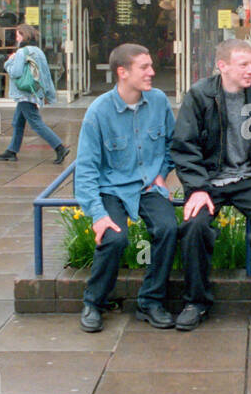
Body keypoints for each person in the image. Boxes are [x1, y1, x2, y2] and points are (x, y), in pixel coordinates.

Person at [170, 38, 251, 332]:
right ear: (222, 66)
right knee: (194, 227)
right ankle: (196, 302)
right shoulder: (199, 97)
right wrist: (198, 187)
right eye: (244, 64)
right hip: (209, 179)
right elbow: (184, 147)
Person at [72, 43, 177, 334]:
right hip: (113, 188)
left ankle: (151, 302)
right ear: (122, 72)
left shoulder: (158, 102)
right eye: (144, 67)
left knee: (168, 229)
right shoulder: (98, 112)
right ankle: (94, 302)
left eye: (150, 66)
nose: (152, 72)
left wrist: (162, 173)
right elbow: (87, 169)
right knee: (114, 238)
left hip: (148, 186)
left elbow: (173, 144)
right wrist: (97, 213)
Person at [0, 25, 70, 164]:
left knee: (36, 123)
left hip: (24, 93)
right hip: (33, 91)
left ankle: (60, 147)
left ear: (23, 36)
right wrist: (48, 93)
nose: (16, 38)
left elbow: (15, 72)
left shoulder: (21, 52)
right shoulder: (38, 51)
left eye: (18, 35)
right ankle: (12, 151)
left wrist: (8, 62)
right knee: (18, 122)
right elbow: (46, 74)